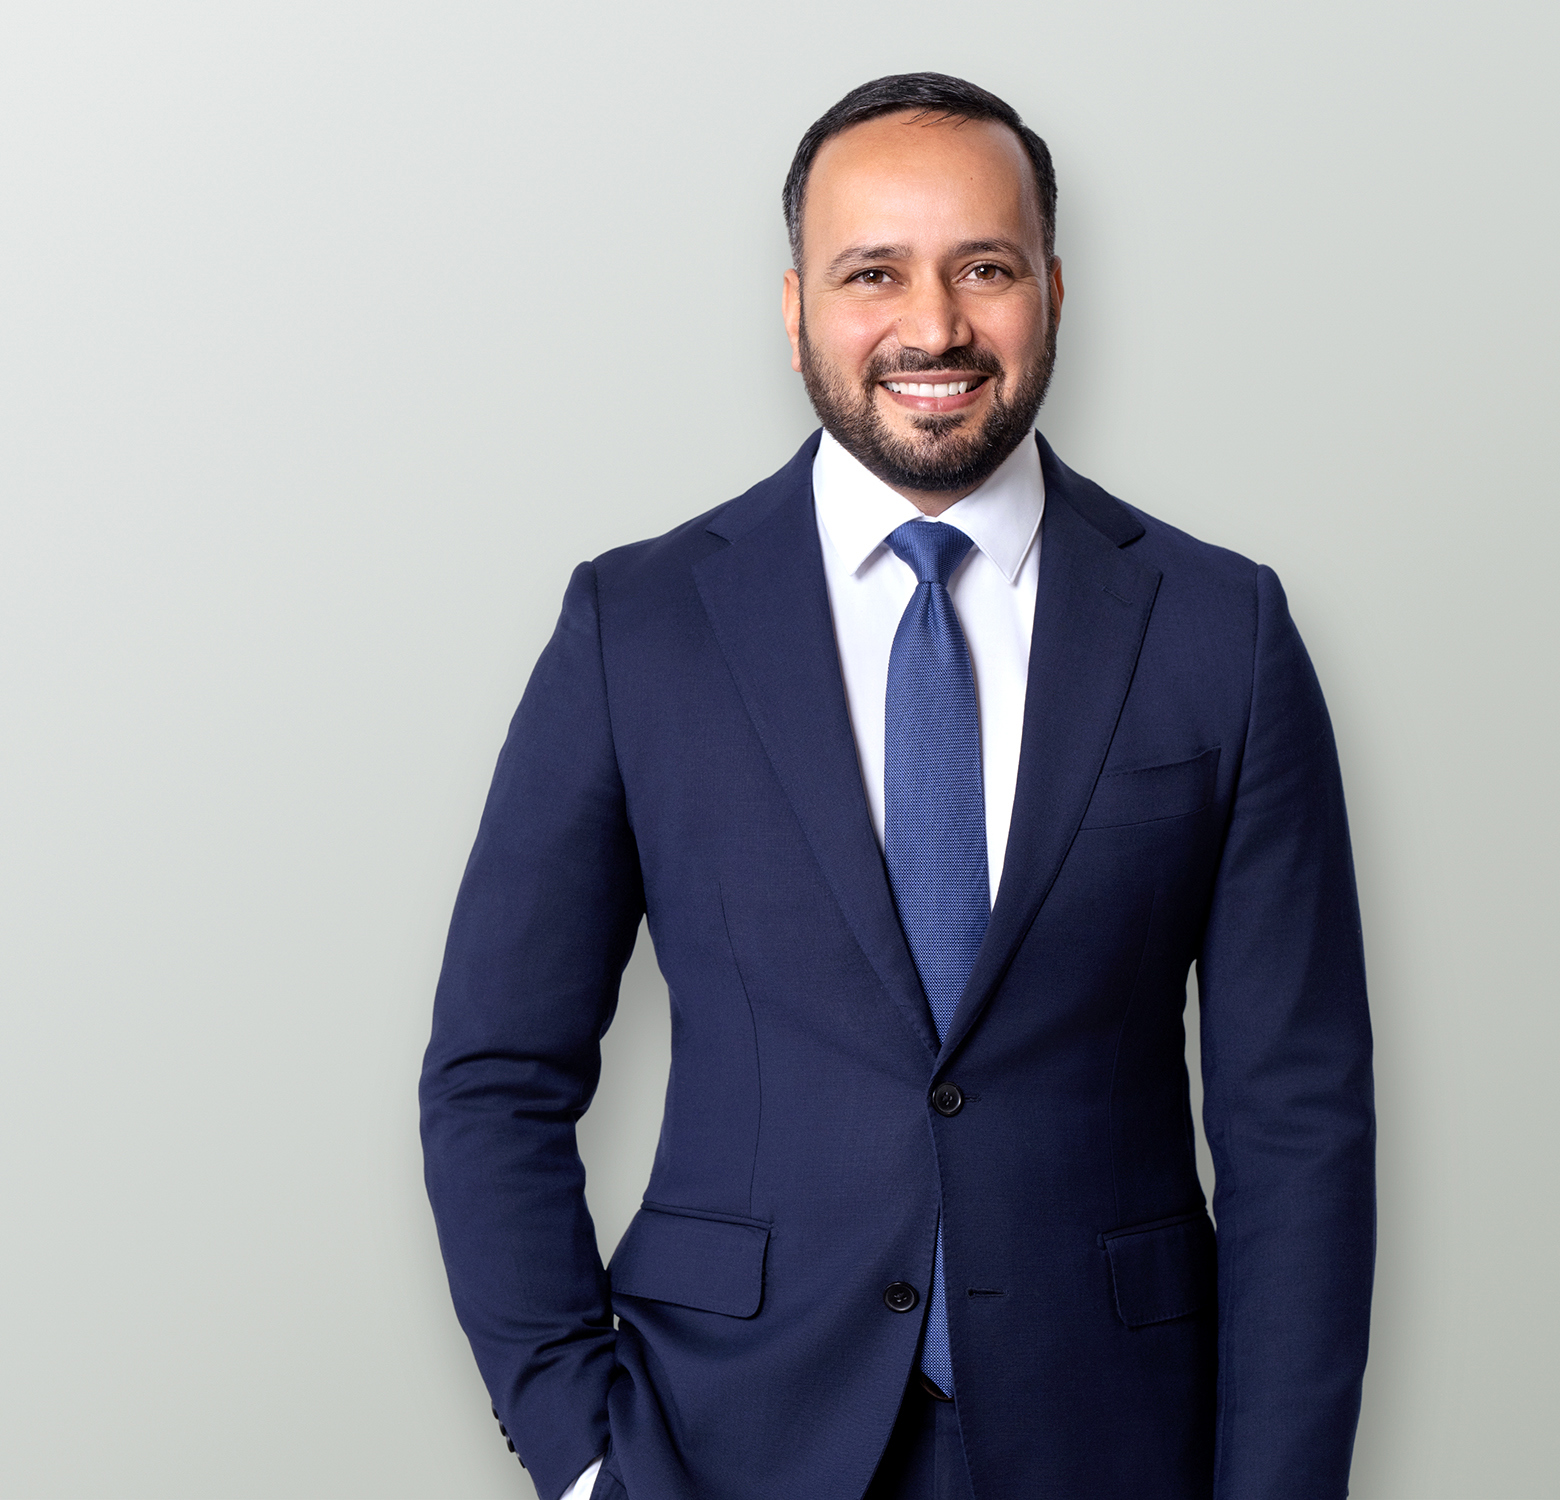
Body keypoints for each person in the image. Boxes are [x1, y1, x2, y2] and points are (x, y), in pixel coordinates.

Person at [419, 73, 1375, 1500]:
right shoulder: (642, 626)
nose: (934, 327)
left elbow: (1298, 1121)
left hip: (1117, 1437)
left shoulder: (1218, 631)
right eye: (874, 273)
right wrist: (583, 1452)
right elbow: (495, 1071)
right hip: (721, 1437)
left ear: (1053, 290)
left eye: (985, 268)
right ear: (795, 306)